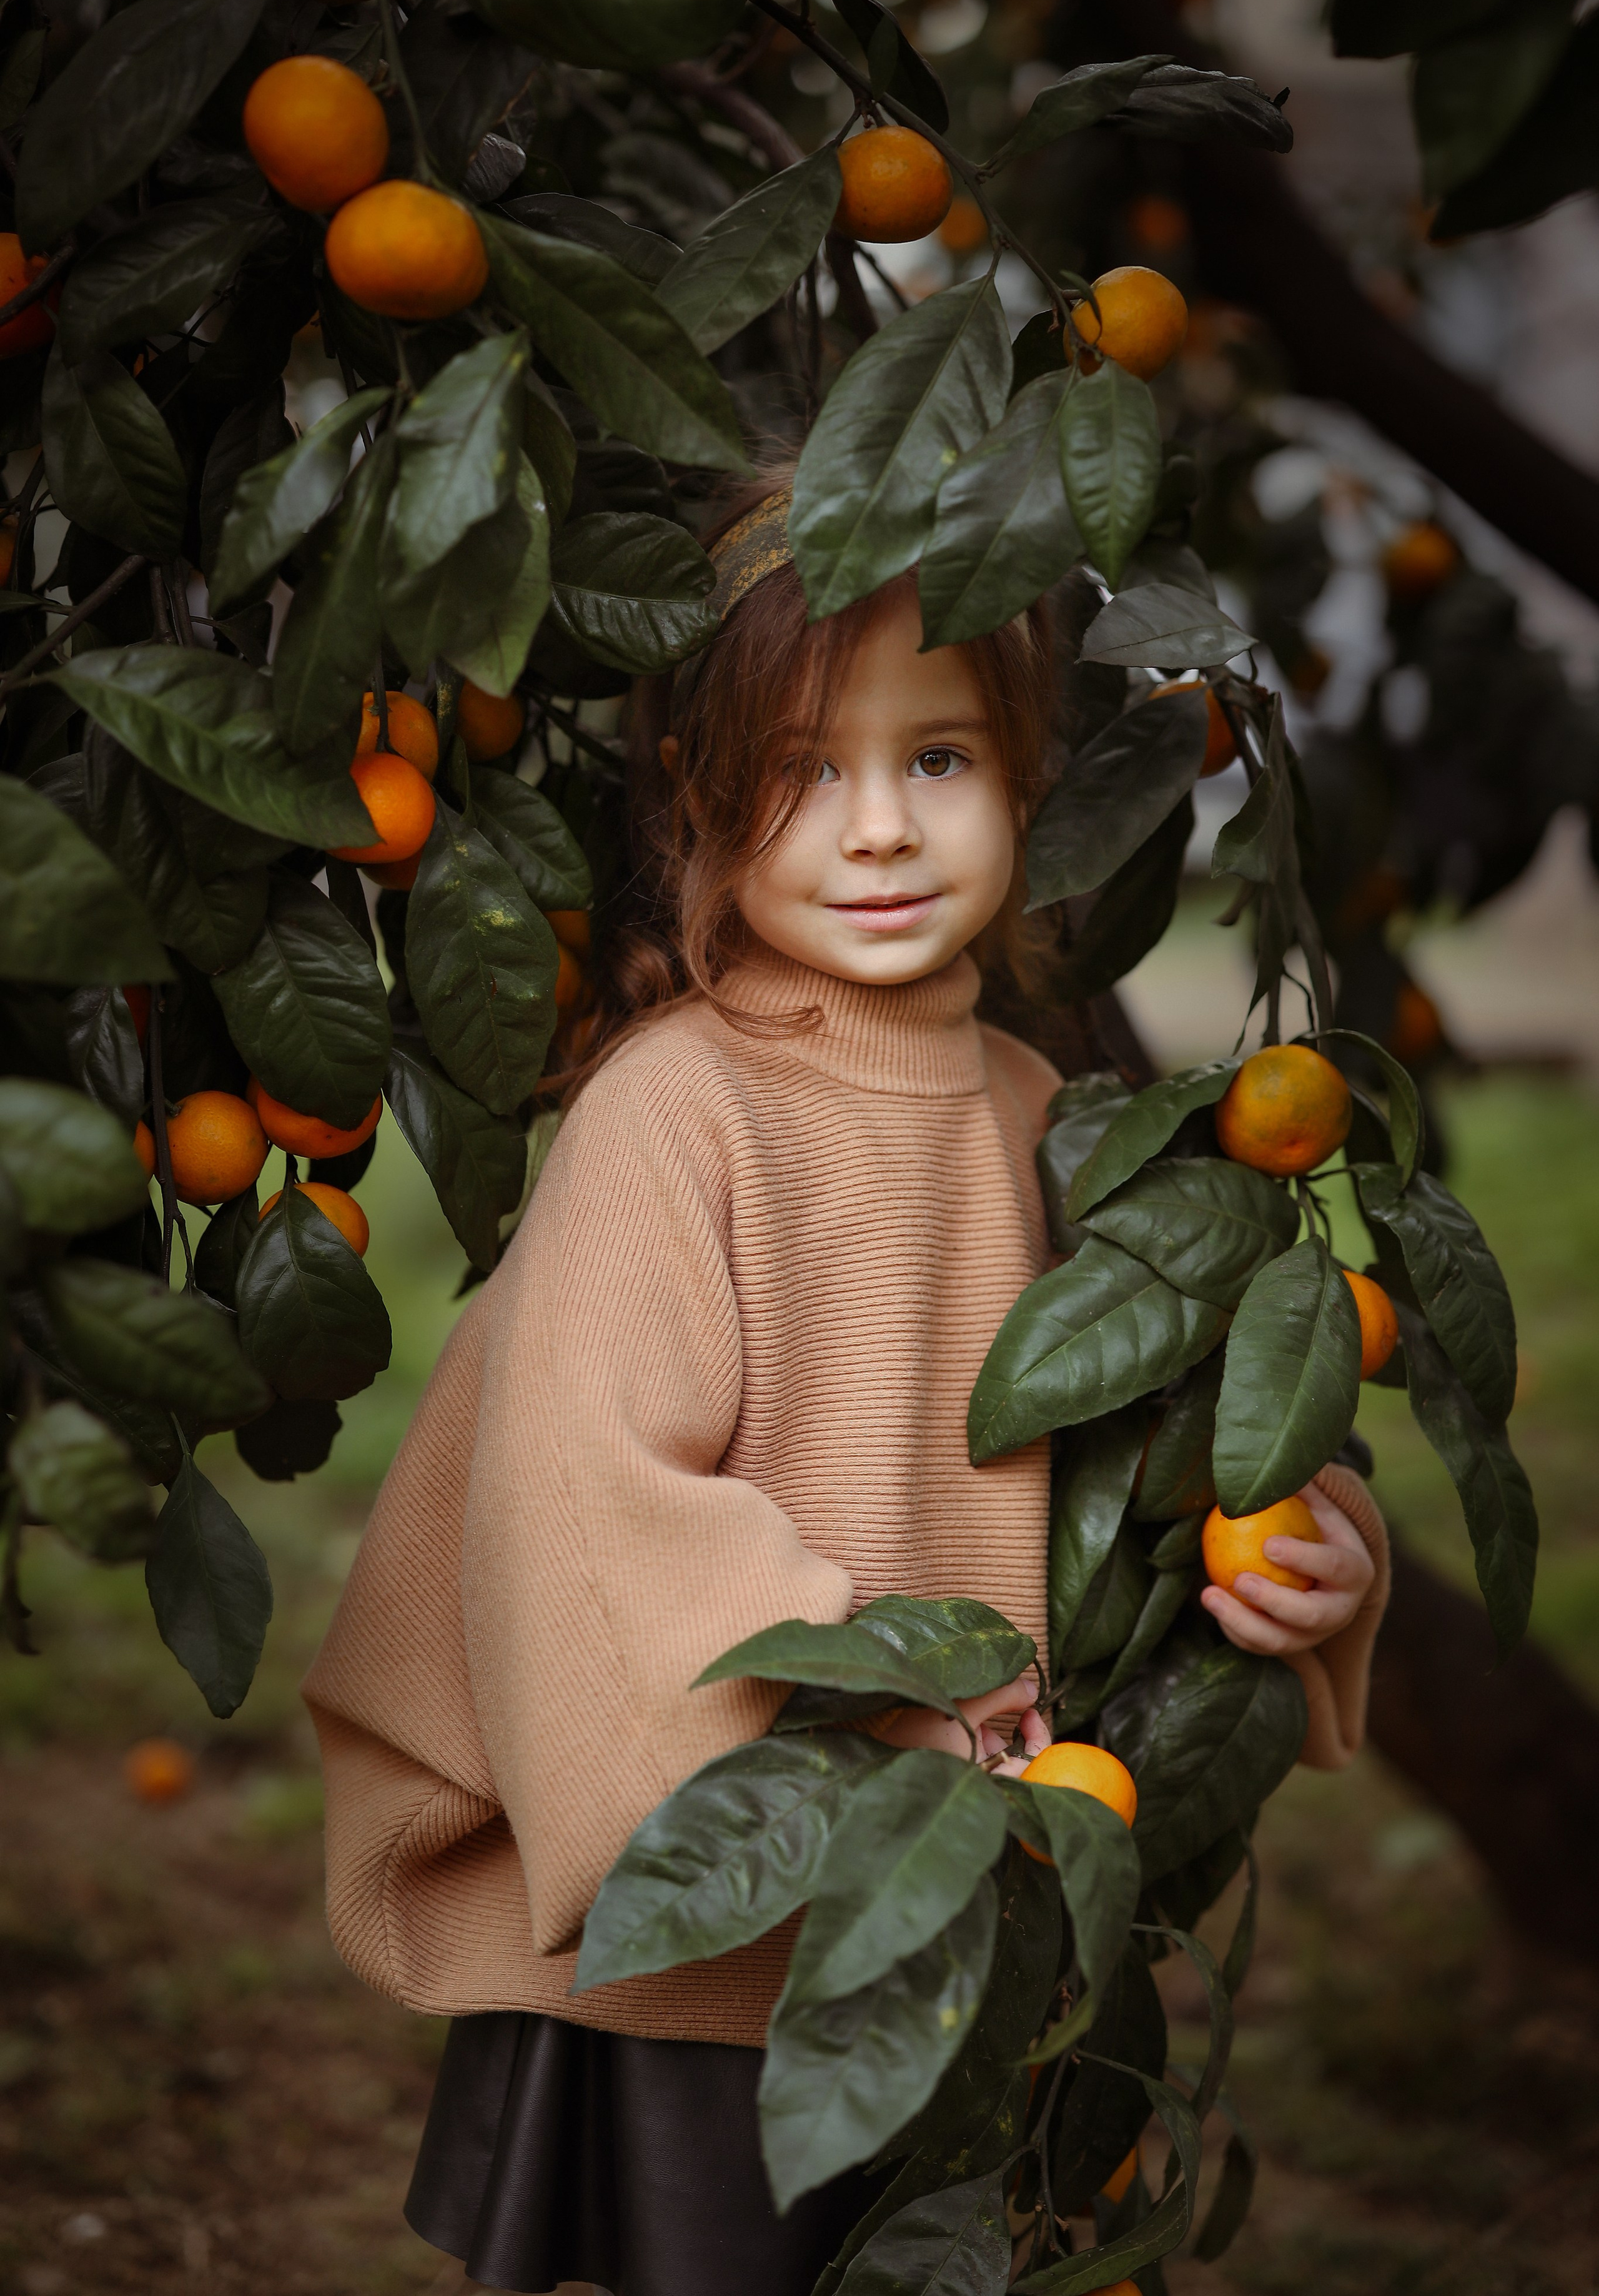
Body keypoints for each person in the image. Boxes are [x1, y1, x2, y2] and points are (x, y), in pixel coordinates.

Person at [302, 484, 1389, 2296]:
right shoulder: (676, 1114)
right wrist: (897, 1712)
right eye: (808, 771)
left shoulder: (1056, 1121)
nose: (879, 828)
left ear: (1029, 786)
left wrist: (1313, 1555)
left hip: (985, 1930)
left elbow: (1191, 1438)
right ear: (706, 807)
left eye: (941, 756)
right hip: (717, 1960)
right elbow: (589, 1504)